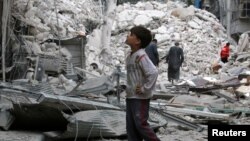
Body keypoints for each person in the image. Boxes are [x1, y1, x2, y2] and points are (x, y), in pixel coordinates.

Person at [125, 26, 160, 141]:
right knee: (131, 127)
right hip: (131, 96)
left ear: (138, 41)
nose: (127, 36)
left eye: (130, 34)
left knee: (141, 124)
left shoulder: (141, 55)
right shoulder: (130, 56)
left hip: (140, 98)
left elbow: (153, 72)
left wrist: (145, 88)